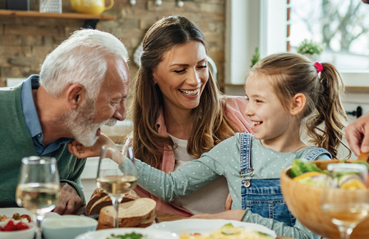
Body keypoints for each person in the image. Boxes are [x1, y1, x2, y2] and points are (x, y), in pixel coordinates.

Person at [71, 52, 349, 238]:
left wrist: (242, 217)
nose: (248, 110)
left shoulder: (314, 164)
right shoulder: (236, 148)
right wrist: (113, 153)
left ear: (295, 104)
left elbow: (306, 236)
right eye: (248, 98)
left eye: (259, 101)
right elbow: (171, 186)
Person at [70, 16, 252, 216]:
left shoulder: (246, 112)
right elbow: (156, 207)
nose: (195, 80)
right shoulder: (140, 149)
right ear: (152, 75)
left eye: (201, 66)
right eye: (180, 70)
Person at [0, 29, 130, 215]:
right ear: (76, 96)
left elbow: (69, 202)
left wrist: (71, 188)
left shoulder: (77, 132)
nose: (122, 115)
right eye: (114, 102)